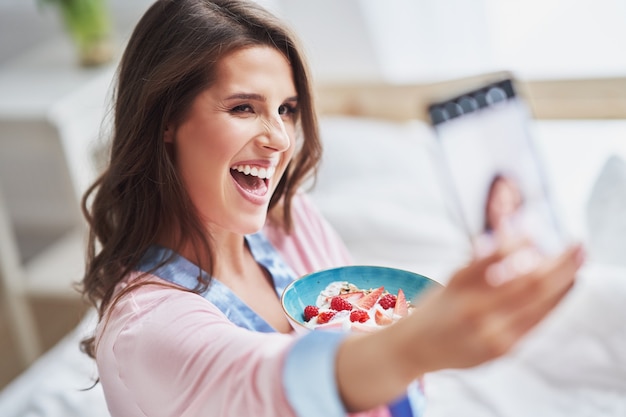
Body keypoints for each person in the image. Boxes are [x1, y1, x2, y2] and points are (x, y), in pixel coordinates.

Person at [79, 1, 585, 416]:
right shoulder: (145, 330)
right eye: (242, 108)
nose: (278, 138)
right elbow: (266, 384)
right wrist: (416, 344)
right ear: (165, 120)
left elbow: (366, 339)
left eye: (287, 110)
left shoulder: (290, 223)